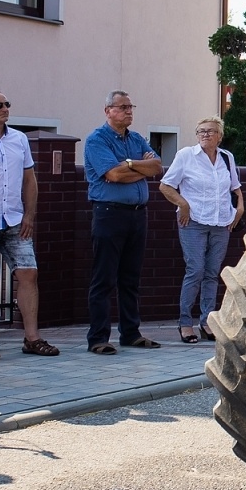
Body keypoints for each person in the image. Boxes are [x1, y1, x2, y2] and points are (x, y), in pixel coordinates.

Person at [0, 90, 57, 356]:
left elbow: (29, 180)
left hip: (15, 219)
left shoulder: (19, 139)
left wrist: (29, 215)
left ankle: (32, 338)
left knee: (29, 272)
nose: (5, 108)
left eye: (7, 104)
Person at [82, 91, 163, 354]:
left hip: (138, 214)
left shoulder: (136, 138)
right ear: (108, 110)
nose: (129, 111)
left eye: (131, 106)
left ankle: (130, 332)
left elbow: (157, 167)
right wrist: (138, 169)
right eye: (123, 107)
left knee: (130, 277)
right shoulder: (97, 140)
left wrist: (129, 164)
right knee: (104, 277)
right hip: (109, 213)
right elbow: (114, 175)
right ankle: (98, 338)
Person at [158, 117, 243, 342]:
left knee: (212, 273)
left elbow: (235, 187)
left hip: (221, 222)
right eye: (201, 131)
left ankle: (207, 321)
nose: (205, 135)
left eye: (211, 131)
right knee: (195, 270)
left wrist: (240, 207)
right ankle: (185, 322)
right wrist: (183, 204)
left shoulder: (227, 157)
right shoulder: (186, 156)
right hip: (193, 221)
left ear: (220, 136)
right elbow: (165, 185)